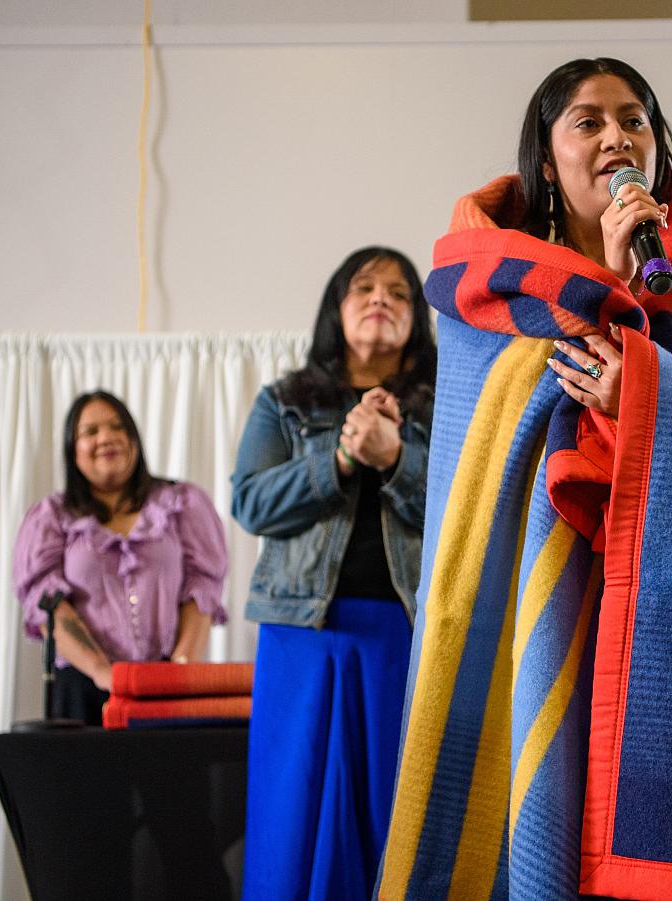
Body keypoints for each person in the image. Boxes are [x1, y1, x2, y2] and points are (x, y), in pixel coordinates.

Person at [379, 58, 672, 901]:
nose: (616, 137)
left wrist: (650, 392)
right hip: (530, 621)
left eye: (634, 119)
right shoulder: (489, 291)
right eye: (587, 121)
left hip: (665, 622)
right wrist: (612, 297)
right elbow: (473, 477)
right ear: (547, 161)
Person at [232, 246, 435, 901]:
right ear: (336, 308)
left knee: (394, 813)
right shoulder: (284, 400)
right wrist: (341, 459)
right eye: (364, 287)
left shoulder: (450, 402)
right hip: (300, 631)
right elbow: (251, 502)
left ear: (417, 317)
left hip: (408, 633)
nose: (381, 300)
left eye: (399, 293)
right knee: (291, 813)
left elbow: (471, 512)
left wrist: (397, 456)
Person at [12, 390, 228, 726]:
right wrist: (103, 672)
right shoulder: (50, 517)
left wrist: (180, 669)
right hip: (84, 687)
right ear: (72, 448)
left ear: (134, 439)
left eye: (117, 427)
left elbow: (202, 589)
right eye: (91, 431)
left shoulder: (182, 503)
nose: (106, 438)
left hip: (165, 684)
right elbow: (47, 605)